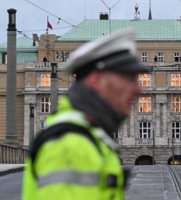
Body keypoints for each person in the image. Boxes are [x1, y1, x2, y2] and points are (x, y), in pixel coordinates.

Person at [22, 29, 150, 200]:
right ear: (96, 81)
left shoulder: (92, 137)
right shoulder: (70, 147)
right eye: (128, 79)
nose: (138, 89)